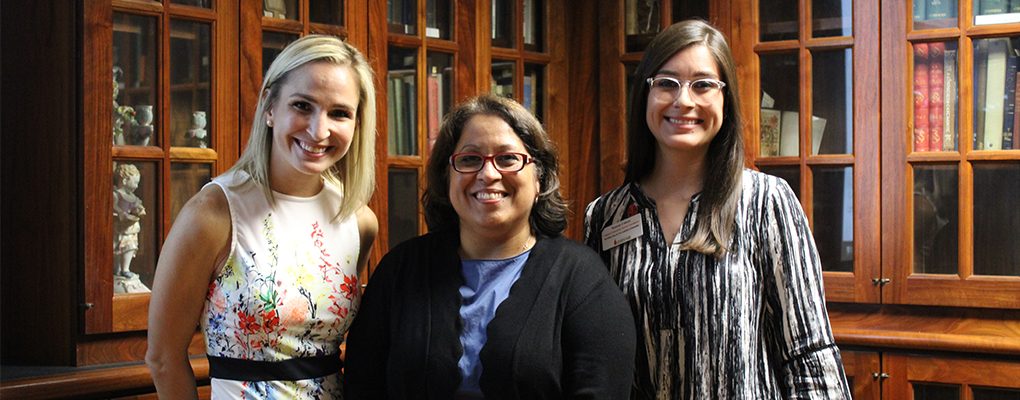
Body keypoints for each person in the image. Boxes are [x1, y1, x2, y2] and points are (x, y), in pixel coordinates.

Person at [583, 20, 851, 399]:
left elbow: (808, 353)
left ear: (726, 99)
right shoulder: (604, 216)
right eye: (666, 83)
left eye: (703, 84)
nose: (684, 100)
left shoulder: (767, 201)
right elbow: (597, 359)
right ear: (645, 93)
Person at [344, 94, 636, 400]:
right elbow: (362, 386)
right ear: (447, 178)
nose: (488, 174)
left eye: (508, 158)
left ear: (540, 179)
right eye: (470, 159)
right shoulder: (400, 270)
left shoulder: (582, 279)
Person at [146, 34, 378, 399]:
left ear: (357, 123)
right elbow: (162, 358)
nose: (319, 130)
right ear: (270, 106)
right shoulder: (213, 215)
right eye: (303, 106)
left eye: (339, 113)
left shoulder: (360, 221)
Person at [113, 163, 146, 279]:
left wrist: (140, 210)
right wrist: (120, 212)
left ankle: (125, 268)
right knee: (117, 248)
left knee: (130, 247)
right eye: (135, 182)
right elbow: (113, 206)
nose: (137, 186)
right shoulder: (116, 195)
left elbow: (137, 206)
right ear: (125, 181)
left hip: (130, 227)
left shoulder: (132, 197)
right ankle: (116, 268)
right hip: (119, 226)